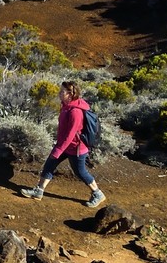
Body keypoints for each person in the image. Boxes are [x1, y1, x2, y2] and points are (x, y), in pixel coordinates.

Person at [20, 80, 105, 208]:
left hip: (76, 148)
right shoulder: (66, 106)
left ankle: (98, 193)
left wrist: (58, 150)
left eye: (62, 92)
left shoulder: (75, 111)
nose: (59, 93)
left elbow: (70, 135)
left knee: (80, 172)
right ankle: (39, 190)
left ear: (70, 94)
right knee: (49, 165)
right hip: (64, 145)